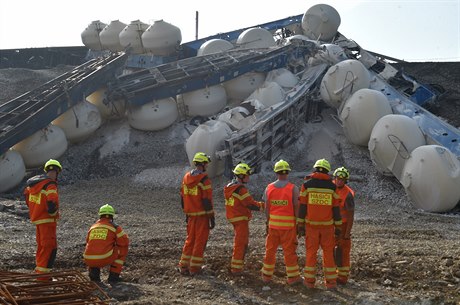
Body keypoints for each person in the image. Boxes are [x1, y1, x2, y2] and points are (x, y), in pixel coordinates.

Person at [298, 158, 342, 290]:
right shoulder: (333, 187)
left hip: (311, 227)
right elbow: (336, 209)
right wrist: (338, 227)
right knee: (328, 254)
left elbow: (302, 206)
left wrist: (300, 225)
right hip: (328, 227)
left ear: (315, 169)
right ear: (327, 171)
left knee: (311, 253)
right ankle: (331, 284)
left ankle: (309, 282)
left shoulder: (307, 185)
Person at [261, 160, 302, 285]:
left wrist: (267, 223)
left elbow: (267, 208)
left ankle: (266, 276)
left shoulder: (269, 188)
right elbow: (296, 207)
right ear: (288, 172)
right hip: (289, 228)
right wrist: (299, 224)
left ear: (276, 172)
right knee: (289, 252)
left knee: (270, 251)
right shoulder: (293, 188)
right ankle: (293, 278)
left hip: (273, 226)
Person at [24, 159, 62, 279]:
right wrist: (54, 213)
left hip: (38, 221)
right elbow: (52, 203)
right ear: (57, 172)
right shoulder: (50, 184)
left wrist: (36, 210)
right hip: (48, 221)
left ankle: (40, 272)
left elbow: (26, 198)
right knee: (49, 247)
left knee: (42, 247)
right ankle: (43, 277)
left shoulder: (33, 185)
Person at [178, 152, 215, 276]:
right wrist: (211, 216)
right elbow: (206, 200)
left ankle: (183, 266)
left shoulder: (186, 177)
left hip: (190, 215)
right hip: (202, 216)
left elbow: (182, 197)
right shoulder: (204, 179)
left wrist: (186, 212)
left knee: (190, 240)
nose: (207, 166)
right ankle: (195, 268)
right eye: (206, 163)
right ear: (203, 164)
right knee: (200, 241)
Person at [224, 163, 264, 274]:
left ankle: (237, 266)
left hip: (233, 217)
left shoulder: (229, 187)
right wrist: (264, 206)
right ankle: (236, 269)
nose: (248, 177)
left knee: (240, 242)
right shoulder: (240, 189)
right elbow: (250, 204)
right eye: (247, 175)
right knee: (241, 243)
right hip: (240, 219)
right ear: (241, 176)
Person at [83, 204, 129, 284]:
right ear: (112, 216)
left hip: (88, 259)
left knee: (93, 249)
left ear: (100, 216)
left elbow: (88, 242)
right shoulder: (115, 227)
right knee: (122, 250)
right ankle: (113, 277)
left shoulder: (93, 227)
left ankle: (94, 276)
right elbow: (125, 242)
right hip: (104, 258)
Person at [332, 167, 355, 285]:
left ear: (345, 180)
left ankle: (342, 277)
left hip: (343, 226)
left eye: (342, 179)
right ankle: (332, 275)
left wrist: (347, 234)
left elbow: (351, 215)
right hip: (331, 225)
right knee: (330, 250)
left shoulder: (348, 194)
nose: (339, 181)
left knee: (343, 251)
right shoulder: (330, 188)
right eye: (337, 179)